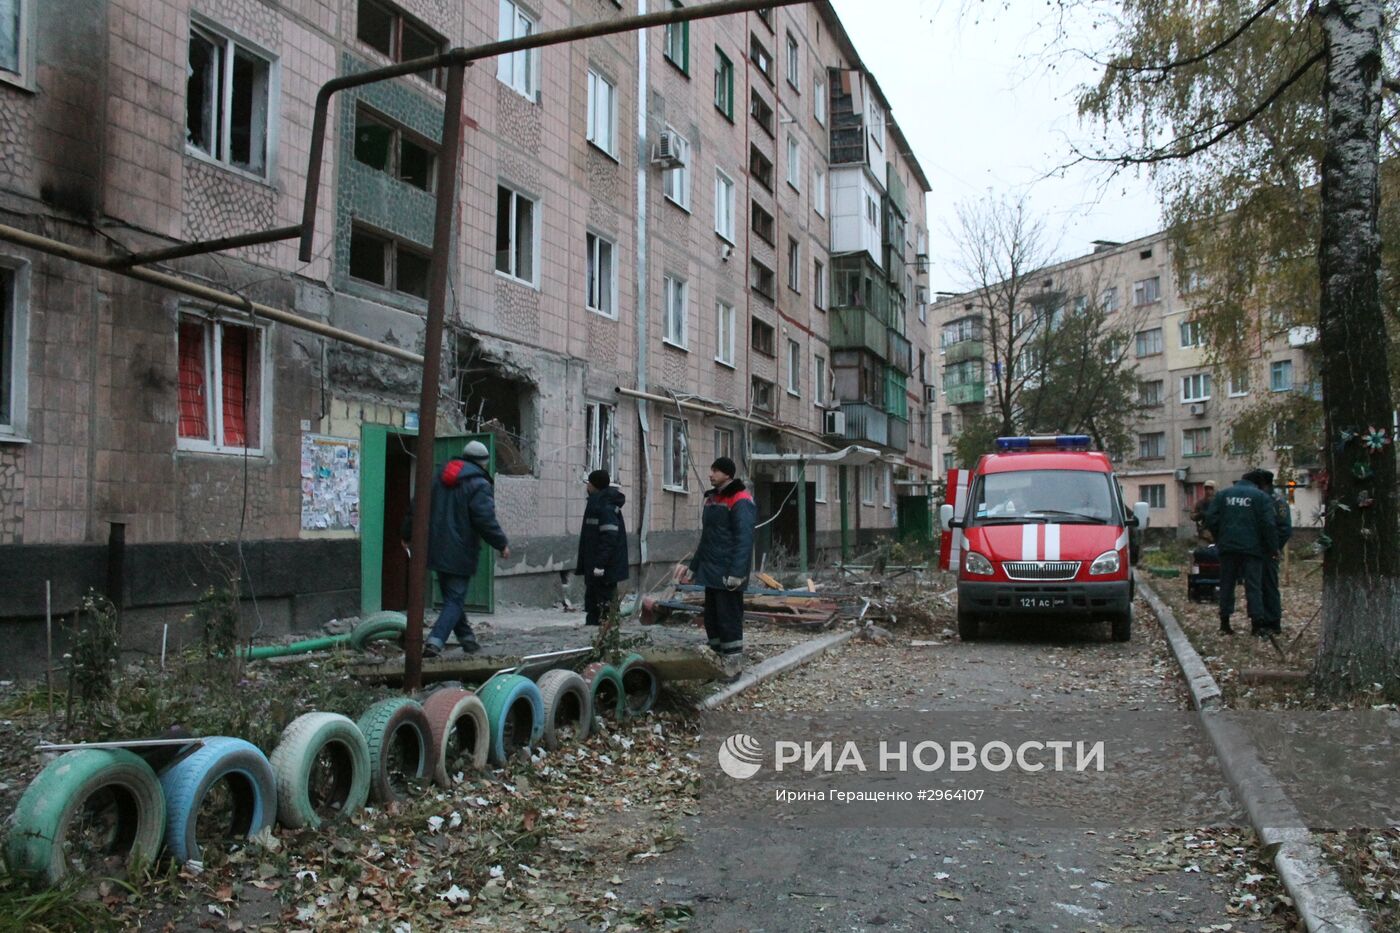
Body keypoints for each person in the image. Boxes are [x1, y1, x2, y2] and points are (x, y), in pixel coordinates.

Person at [402, 440, 510, 657]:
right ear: (483, 463)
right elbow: (484, 519)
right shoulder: (479, 484)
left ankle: (468, 640)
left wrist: (407, 534)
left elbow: (417, 507)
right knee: (455, 599)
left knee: (452, 596)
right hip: (461, 549)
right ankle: (435, 641)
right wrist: (501, 543)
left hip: (435, 547)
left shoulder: (437, 478)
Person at [678, 457, 756, 681]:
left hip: (728, 572)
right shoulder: (712, 499)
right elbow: (707, 538)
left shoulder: (741, 500)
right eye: (711, 470)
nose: (711, 474)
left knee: (728, 619)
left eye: (716, 471)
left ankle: (733, 666)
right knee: (712, 619)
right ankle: (716, 664)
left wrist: (737, 574)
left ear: (728, 475)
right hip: (712, 571)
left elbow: (744, 540)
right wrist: (694, 568)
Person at [1204, 470, 1280, 636]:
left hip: (1228, 548)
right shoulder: (1261, 497)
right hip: (1252, 549)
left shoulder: (1223, 494)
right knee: (1253, 586)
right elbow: (1268, 525)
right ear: (1258, 483)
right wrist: (1273, 548)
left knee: (1227, 584)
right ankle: (1257, 625)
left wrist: (1220, 537)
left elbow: (1210, 519)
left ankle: (1225, 623)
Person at [575, 469, 629, 627]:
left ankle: (607, 638)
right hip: (596, 567)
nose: (587, 487)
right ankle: (594, 637)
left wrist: (600, 564)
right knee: (593, 605)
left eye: (589, 483)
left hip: (604, 570)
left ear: (593, 485)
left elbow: (609, 538)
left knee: (605, 606)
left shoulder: (604, 505)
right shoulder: (598, 502)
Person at [1253, 469, 1292, 636]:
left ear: (1263, 484)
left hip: (1269, 551)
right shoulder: (1261, 499)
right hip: (1257, 550)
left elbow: (1284, 529)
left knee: (1269, 585)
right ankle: (1261, 620)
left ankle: (1273, 621)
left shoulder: (1277, 502)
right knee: (1258, 586)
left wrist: (1274, 547)